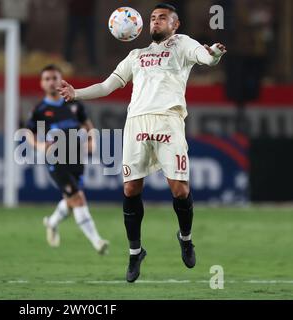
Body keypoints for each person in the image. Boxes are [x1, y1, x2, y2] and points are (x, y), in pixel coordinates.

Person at [58, 3, 226, 282]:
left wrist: (215, 54)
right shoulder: (136, 55)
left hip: (169, 122)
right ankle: (135, 253)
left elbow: (205, 57)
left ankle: (185, 239)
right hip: (136, 123)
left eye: (162, 18)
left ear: (175, 24)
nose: (156, 21)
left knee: (180, 190)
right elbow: (107, 85)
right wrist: (76, 93)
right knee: (131, 187)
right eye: (152, 18)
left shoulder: (182, 44)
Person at [25, 64, 109, 254]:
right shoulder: (39, 109)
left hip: (76, 156)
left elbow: (87, 124)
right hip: (55, 159)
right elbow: (28, 132)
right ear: (41, 83)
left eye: (54, 77)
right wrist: (38, 145)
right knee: (78, 198)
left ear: (61, 79)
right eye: (47, 79)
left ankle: (51, 223)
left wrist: (91, 140)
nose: (51, 82)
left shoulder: (74, 103)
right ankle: (97, 242)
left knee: (71, 200)